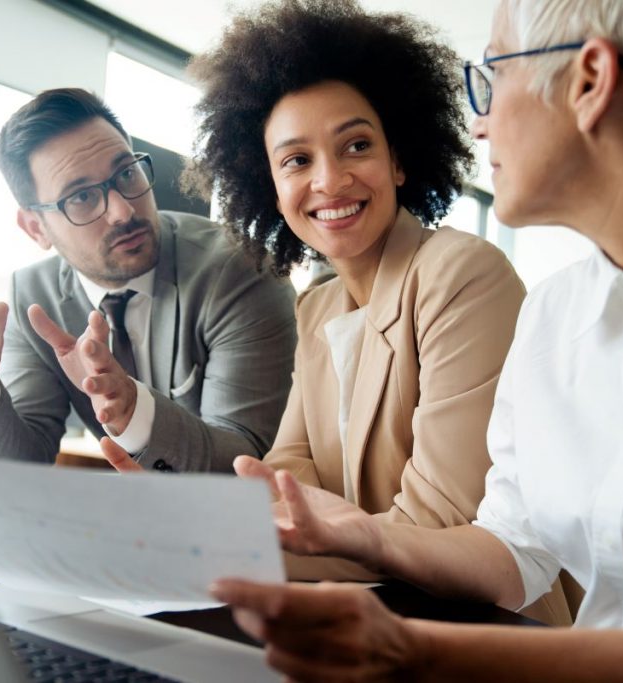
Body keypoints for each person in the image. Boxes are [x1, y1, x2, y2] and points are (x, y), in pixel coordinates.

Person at [207, 0, 623, 680]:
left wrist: (415, 652)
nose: (479, 119)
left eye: (493, 72)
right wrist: (369, 537)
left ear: (590, 82)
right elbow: (515, 549)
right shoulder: (557, 313)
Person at [106, 0, 568, 625]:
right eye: (296, 160)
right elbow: (286, 476)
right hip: (364, 618)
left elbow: (436, 527)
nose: (329, 180)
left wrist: (213, 546)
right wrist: (194, 524)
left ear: (399, 160)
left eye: (356, 145)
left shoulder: (462, 275)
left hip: (483, 633)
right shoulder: (317, 306)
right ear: (270, 186)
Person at [0, 88, 297, 473]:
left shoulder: (241, 267)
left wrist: (136, 412)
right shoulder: (35, 299)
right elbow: (21, 468)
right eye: (81, 197)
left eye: (127, 174)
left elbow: (247, 460)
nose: (122, 211)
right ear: (35, 228)